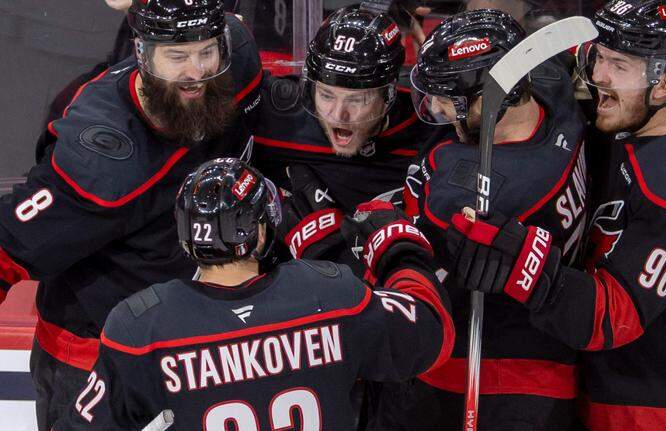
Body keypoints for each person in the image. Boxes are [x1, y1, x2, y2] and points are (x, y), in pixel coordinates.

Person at [447, 0, 666, 429]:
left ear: (663, 84)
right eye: (598, 57)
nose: (597, 77)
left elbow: (614, 316)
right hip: (620, 394)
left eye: (619, 65)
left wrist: (522, 261)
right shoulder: (636, 127)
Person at [0, 0, 264, 428]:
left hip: (201, 343)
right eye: (177, 56)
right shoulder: (101, 162)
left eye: (206, 51)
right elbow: (7, 246)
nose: (196, 71)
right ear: (142, 53)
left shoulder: (238, 60)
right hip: (96, 358)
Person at [52, 158, 454, 430]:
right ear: (261, 230)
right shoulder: (331, 295)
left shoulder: (140, 327)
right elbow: (430, 335)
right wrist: (398, 251)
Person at [371, 9, 588, 430]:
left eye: (446, 96)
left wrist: (379, 225)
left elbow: (411, 272)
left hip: (483, 382)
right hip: (552, 368)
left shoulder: (467, 191)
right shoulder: (551, 91)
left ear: (491, 100)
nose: (435, 107)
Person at [249, 6, 449, 274]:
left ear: (387, 95)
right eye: (327, 95)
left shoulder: (430, 132)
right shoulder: (276, 117)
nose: (338, 115)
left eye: (357, 100)